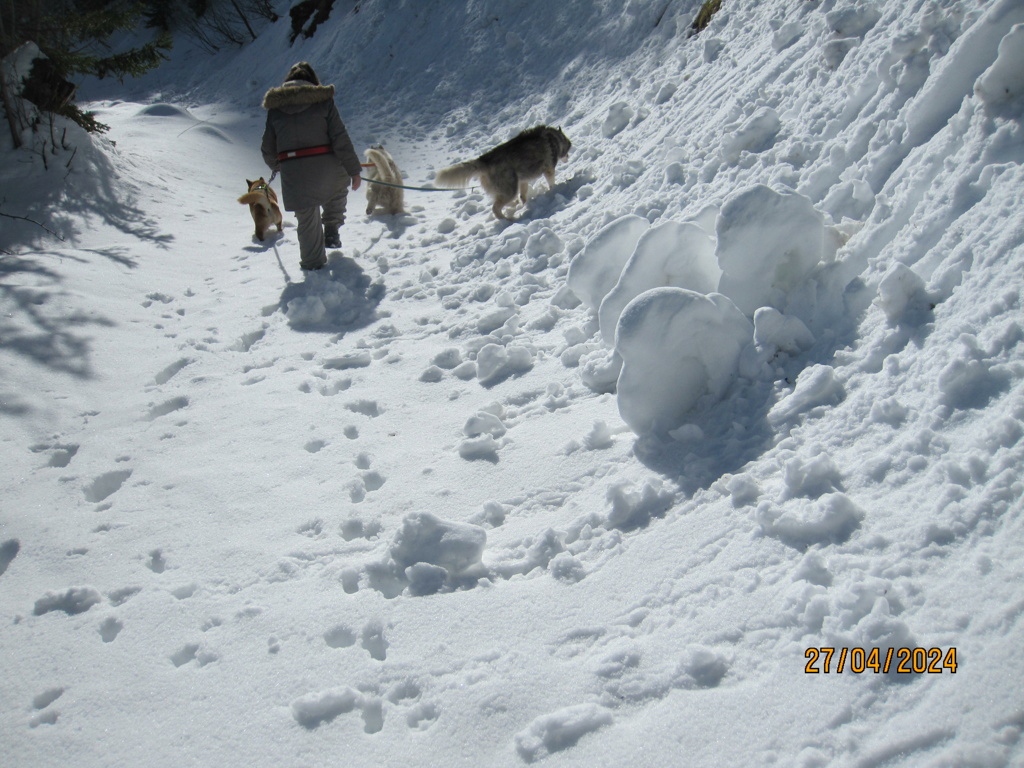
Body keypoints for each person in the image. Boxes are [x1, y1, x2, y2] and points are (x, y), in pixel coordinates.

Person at [261, 62, 362, 271]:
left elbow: (267, 149)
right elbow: (340, 139)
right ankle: (332, 227)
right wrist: (354, 170)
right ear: (313, 81)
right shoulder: (324, 102)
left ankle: (313, 266)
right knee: (338, 184)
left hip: (294, 175)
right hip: (327, 167)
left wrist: (279, 166)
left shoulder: (275, 110)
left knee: (307, 220)